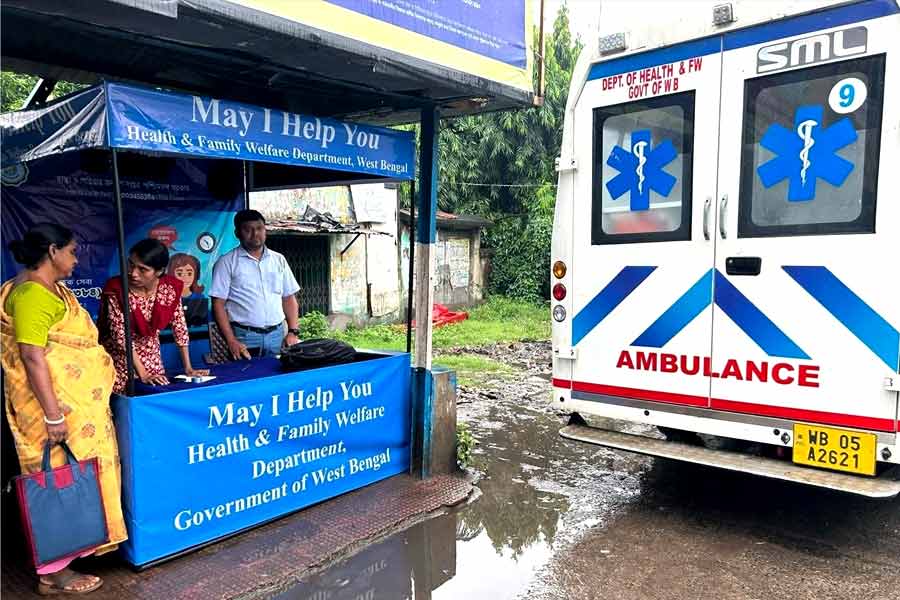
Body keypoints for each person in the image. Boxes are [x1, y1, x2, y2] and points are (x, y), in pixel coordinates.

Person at [0, 224, 127, 595]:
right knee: (54, 483)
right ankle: (53, 573)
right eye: (72, 252)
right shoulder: (31, 295)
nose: (76, 259)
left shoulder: (51, 291)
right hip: (51, 413)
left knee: (76, 478)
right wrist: (54, 414)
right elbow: (31, 356)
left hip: (76, 410)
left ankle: (71, 552)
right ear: (53, 251)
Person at [99, 239, 208, 393]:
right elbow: (121, 337)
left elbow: (180, 326)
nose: (133, 273)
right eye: (131, 265)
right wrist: (142, 374)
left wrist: (188, 368)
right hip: (119, 360)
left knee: (154, 399)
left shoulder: (169, 288)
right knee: (124, 406)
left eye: (142, 269)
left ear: (159, 271)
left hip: (152, 358)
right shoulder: (117, 290)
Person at [210, 210, 301, 359]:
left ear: (265, 230)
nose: (255, 234)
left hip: (277, 335)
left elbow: (288, 298)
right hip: (244, 337)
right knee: (246, 378)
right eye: (248, 230)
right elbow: (218, 304)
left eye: (259, 228)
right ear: (237, 233)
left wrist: (293, 332)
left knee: (278, 377)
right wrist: (231, 340)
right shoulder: (226, 262)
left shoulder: (279, 260)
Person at [168, 253, 209, 326]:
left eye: (189, 273)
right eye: (180, 274)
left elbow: (202, 322)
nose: (185, 278)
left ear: (196, 275)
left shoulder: (200, 298)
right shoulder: (167, 298)